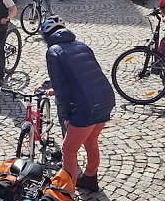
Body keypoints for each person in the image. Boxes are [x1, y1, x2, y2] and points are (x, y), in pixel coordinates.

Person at [40, 15, 115, 191]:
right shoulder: (82, 45)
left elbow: (60, 86)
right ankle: (90, 177)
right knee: (91, 141)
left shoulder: (53, 51)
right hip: (105, 97)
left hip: (87, 106)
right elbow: (83, 75)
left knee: (68, 150)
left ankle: (67, 194)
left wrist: (66, 115)